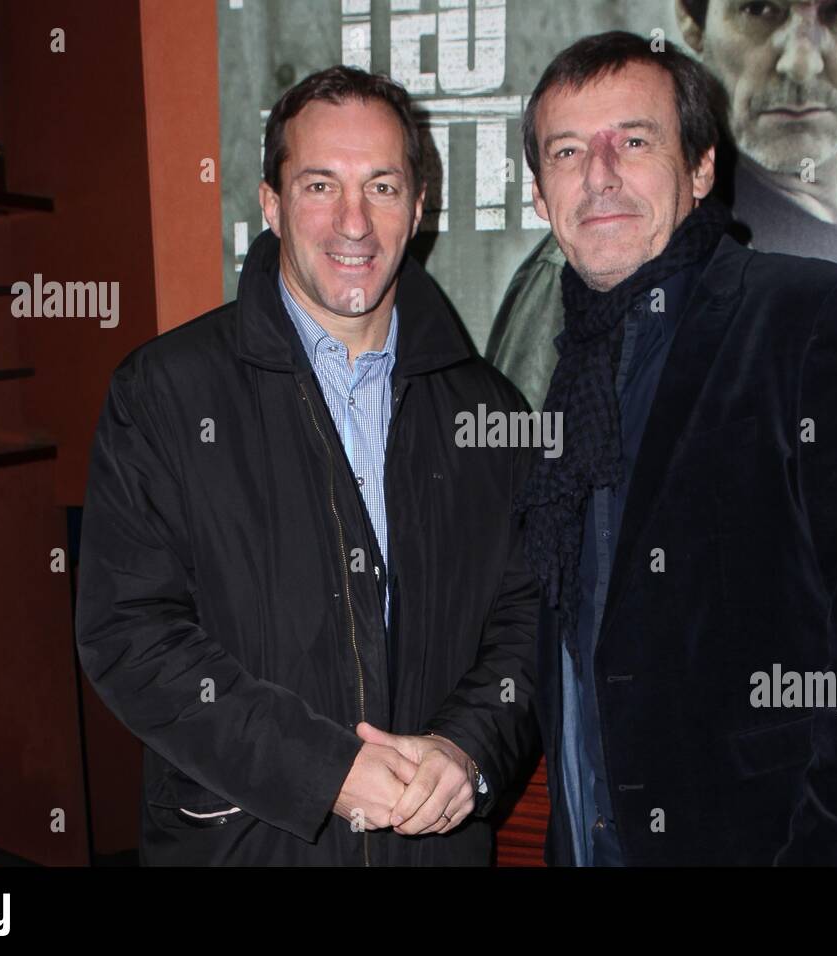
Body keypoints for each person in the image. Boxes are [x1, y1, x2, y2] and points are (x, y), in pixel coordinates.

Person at [75, 66, 538, 866]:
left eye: (382, 186)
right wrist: (322, 771)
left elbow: (529, 627)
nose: (353, 222)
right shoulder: (164, 392)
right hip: (243, 847)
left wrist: (468, 752)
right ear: (271, 204)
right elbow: (130, 634)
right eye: (321, 183)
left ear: (419, 207)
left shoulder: (490, 411)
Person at [513, 32, 837, 865]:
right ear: (541, 195)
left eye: (633, 141)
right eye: (568, 151)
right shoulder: (562, 375)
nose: (599, 173)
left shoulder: (823, 321)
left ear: (703, 169)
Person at [488, 0, 837, 449]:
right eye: (760, 9)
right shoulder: (572, 272)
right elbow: (512, 498)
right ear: (693, 20)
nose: (800, 61)